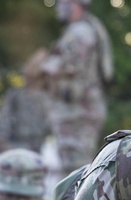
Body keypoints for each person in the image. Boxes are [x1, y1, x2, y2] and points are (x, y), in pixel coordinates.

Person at [40, 0, 114, 176]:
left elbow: (71, 66)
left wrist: (45, 66)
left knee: (76, 171)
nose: (58, 6)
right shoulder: (84, 28)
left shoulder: (80, 32)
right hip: (78, 110)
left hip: (78, 111)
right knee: (74, 167)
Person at [0, 50, 52, 186]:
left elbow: (50, 128)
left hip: (33, 146)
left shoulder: (49, 98)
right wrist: (2, 142)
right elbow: (3, 121)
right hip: (12, 143)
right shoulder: (15, 95)